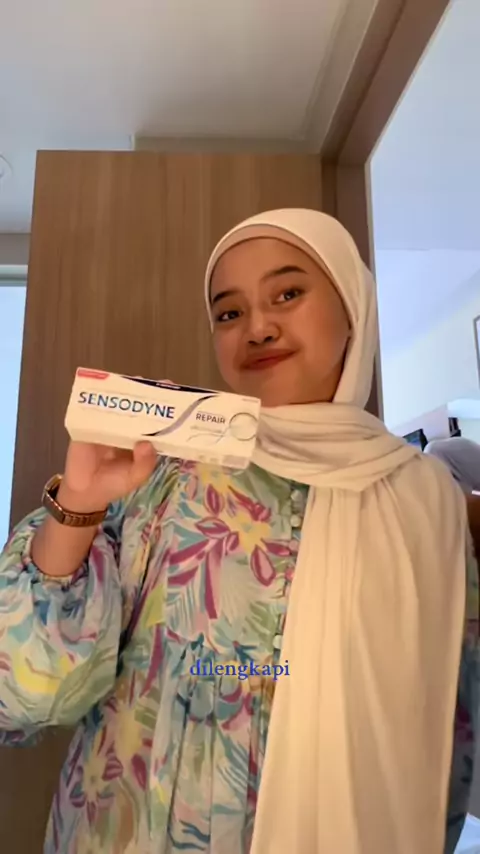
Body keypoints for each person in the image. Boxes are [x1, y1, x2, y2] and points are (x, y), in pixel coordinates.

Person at [0, 209, 477, 854]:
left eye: (287, 293)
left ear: (353, 308)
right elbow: (21, 695)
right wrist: (79, 507)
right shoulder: (163, 474)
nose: (258, 327)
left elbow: (446, 731)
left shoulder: (424, 498)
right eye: (228, 312)